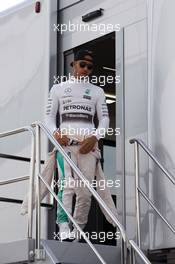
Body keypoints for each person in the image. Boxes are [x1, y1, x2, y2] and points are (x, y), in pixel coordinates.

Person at [45, 49, 110, 241]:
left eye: (90, 67)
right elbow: (48, 118)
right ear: (73, 65)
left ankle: (78, 229)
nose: (86, 69)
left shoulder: (97, 91)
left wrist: (95, 137)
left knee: (85, 192)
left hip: (88, 146)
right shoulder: (58, 88)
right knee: (67, 185)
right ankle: (63, 226)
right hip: (66, 144)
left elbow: (105, 119)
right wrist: (56, 134)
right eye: (82, 65)